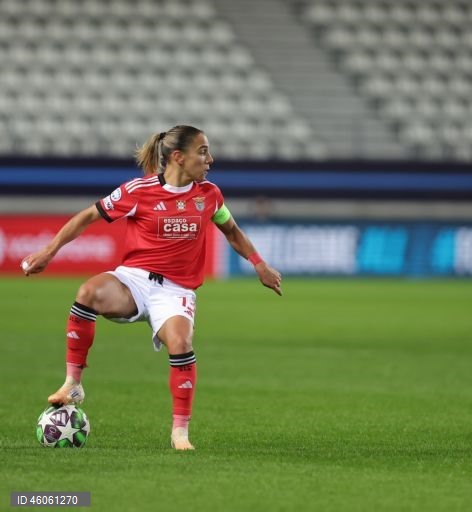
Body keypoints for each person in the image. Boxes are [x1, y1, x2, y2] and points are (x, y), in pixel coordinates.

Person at [21, 125, 282, 450]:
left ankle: (180, 433)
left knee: (180, 341)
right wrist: (49, 251)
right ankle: (73, 383)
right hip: (134, 280)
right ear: (178, 157)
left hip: (176, 291)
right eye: (203, 152)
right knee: (87, 293)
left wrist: (258, 263)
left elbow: (232, 231)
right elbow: (87, 216)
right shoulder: (138, 191)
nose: (210, 159)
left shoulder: (209, 195)